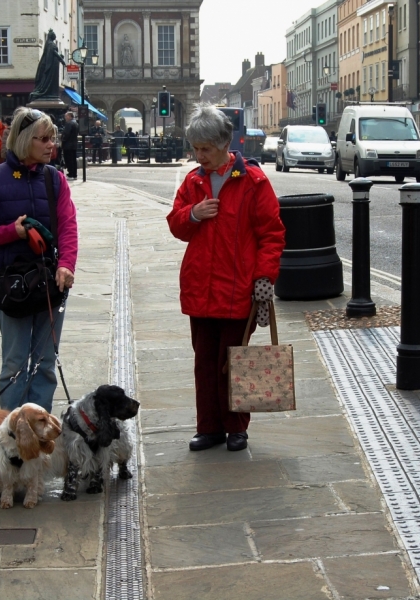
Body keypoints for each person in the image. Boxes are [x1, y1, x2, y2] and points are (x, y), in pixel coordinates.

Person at [166, 104, 286, 453]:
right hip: (200, 287)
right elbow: (176, 225)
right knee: (204, 362)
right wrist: (193, 214)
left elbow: (271, 234)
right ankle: (209, 428)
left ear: (223, 144)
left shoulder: (253, 181)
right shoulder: (192, 182)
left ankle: (236, 428)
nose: (199, 155)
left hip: (238, 289)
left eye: (205, 148)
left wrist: (264, 278)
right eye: (195, 148)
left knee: (234, 361)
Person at [0, 107, 78, 412]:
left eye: (52, 138)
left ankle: (39, 436)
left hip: (50, 283)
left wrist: (67, 264)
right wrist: (11, 231)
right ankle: (12, 436)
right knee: (14, 365)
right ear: (26, 140)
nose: (51, 144)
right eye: (44, 139)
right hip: (12, 286)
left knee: (45, 363)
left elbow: (68, 225)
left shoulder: (55, 179)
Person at [30, 29, 66, 101]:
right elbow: (54, 52)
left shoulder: (48, 43)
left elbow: (54, 53)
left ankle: (50, 93)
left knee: (49, 81)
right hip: (51, 66)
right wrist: (61, 60)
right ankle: (46, 92)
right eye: (54, 36)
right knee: (48, 80)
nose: (55, 37)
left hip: (53, 65)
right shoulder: (51, 44)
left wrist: (59, 57)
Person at [61, 112, 79, 180]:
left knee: (68, 160)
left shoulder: (69, 123)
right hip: (74, 144)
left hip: (68, 145)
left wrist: (63, 140)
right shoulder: (76, 123)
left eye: (66, 116)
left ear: (70, 116)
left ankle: (70, 174)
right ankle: (74, 174)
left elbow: (66, 134)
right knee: (73, 160)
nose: (65, 118)